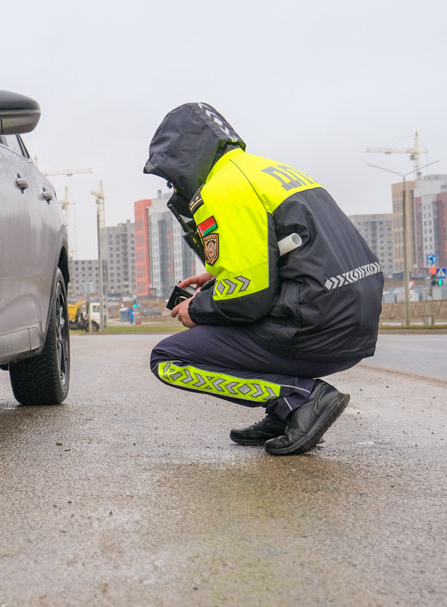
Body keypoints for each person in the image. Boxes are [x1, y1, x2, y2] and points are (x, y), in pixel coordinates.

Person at [143, 103, 383, 455]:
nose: (171, 183)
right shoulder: (267, 170)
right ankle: (282, 413)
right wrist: (216, 274)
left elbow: (249, 296)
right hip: (351, 323)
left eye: (169, 175)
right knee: (228, 319)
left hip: (316, 328)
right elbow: (291, 248)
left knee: (167, 359)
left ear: (180, 157)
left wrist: (199, 308)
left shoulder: (221, 188)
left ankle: (299, 398)